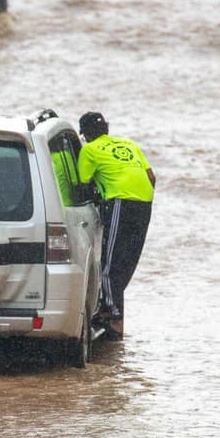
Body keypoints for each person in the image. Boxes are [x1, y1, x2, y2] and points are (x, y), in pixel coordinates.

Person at [76, 111, 154, 338]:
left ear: (85, 135)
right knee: (127, 260)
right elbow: (151, 177)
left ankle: (113, 316)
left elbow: (82, 185)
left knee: (109, 264)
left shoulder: (89, 150)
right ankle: (113, 307)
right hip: (145, 202)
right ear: (106, 129)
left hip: (121, 201)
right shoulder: (129, 144)